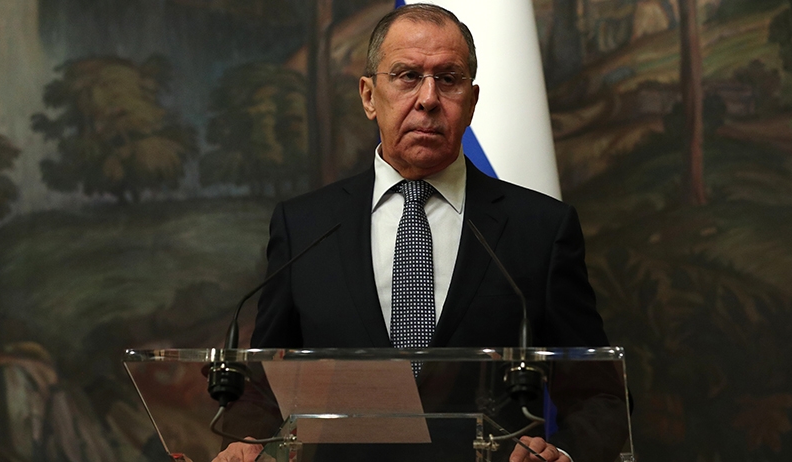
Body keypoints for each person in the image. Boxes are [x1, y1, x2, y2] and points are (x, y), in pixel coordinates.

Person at [214, 4, 625, 462]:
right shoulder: (305, 226)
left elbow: (599, 396)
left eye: (448, 79)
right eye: (407, 76)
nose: (428, 98)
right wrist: (246, 444)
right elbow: (263, 387)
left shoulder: (540, 229)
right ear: (369, 96)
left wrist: (563, 453)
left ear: (471, 101)